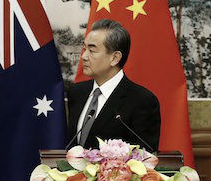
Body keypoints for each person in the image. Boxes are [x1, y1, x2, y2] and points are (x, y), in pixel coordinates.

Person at [67, 19, 160, 150]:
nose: (84, 56)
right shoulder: (77, 92)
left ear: (115, 58)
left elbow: (145, 158)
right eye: (84, 49)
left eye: (92, 51)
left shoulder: (142, 101)